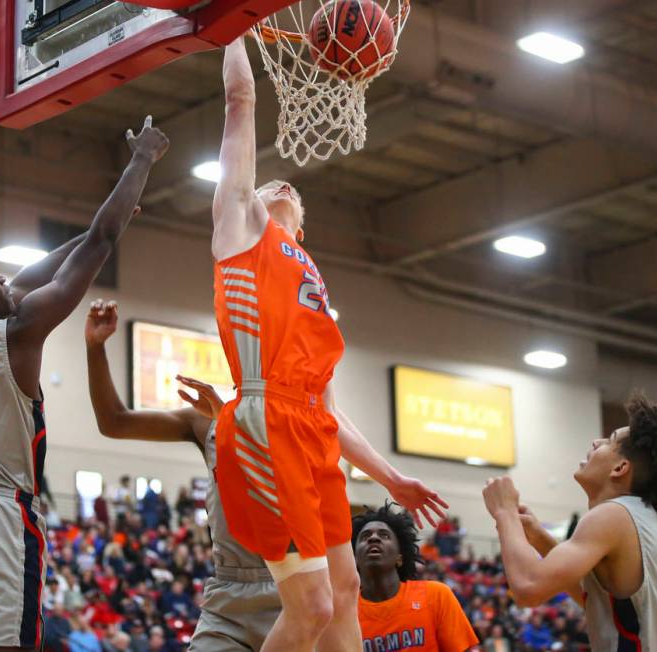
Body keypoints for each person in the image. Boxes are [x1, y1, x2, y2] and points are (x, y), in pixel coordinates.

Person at [211, 37, 448, 652]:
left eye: (294, 191)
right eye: (271, 185)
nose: (281, 184)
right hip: (266, 418)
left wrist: (391, 478)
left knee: (343, 593)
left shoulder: (311, 278)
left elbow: (332, 413)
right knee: (312, 604)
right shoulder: (240, 230)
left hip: (313, 431)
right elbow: (239, 99)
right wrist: (232, 29)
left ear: (304, 226)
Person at [0, 115, 168, 652]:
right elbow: (97, 243)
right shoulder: (19, 331)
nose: (3, 276)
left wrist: (111, 220)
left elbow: (46, 268)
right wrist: (141, 160)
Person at [84, 299, 446, 651]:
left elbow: (328, 423)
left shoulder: (302, 412)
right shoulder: (205, 414)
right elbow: (114, 422)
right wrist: (95, 348)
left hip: (296, 589)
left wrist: (392, 480)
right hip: (229, 594)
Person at [483, 392, 657, 651]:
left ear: (620, 468)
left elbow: (528, 588)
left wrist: (504, 512)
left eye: (608, 441)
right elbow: (596, 598)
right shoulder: (646, 521)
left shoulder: (614, 515)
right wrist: (538, 538)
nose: (595, 442)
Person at [353, 503, 478, 652]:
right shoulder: (344, 614)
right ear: (354, 558)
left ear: (400, 557)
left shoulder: (436, 595)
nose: (373, 538)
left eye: (384, 535)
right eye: (365, 536)